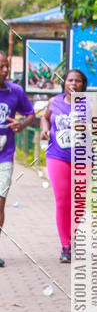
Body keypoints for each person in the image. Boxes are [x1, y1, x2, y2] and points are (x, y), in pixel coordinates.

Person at [40, 69, 97, 263]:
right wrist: (45, 129)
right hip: (57, 156)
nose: (73, 84)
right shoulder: (54, 102)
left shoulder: (90, 104)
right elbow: (45, 117)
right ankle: (66, 246)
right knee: (62, 201)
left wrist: (86, 127)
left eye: (78, 81)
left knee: (77, 201)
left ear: (83, 85)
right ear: (64, 83)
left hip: (83, 158)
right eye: (70, 80)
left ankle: (72, 234)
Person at [0, 52, 35, 267]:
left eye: (6, 66)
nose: (5, 70)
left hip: (4, 157)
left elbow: (30, 114)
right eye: (1, 67)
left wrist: (21, 124)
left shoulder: (16, 91)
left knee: (0, 203)